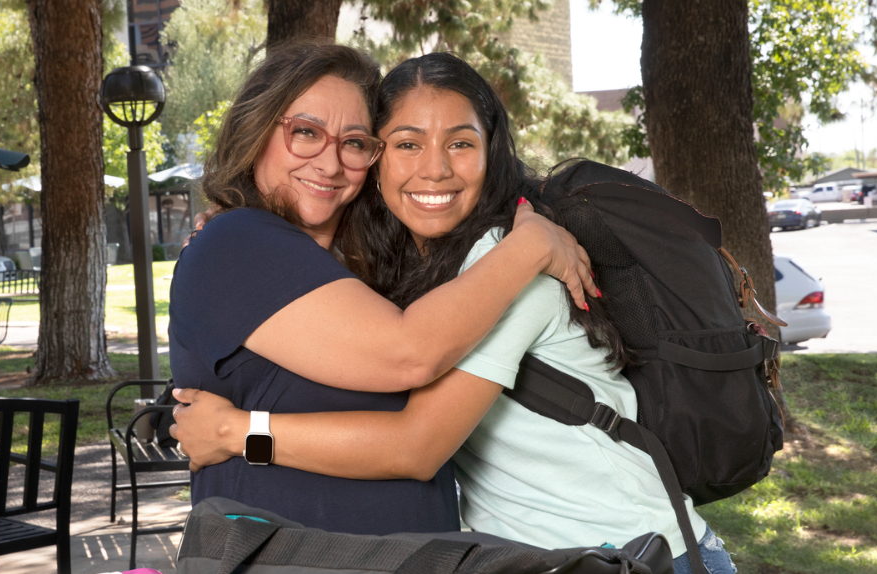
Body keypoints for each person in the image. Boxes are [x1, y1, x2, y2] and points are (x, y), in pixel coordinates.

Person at [172, 52, 737, 574]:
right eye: (407, 143)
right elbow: (405, 359)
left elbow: (415, 443)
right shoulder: (480, 266)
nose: (435, 170)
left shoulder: (498, 269)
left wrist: (236, 432)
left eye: (461, 144)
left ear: (492, 155)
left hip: (629, 554)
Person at [168, 42, 595, 538]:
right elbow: (409, 355)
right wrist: (531, 246)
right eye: (305, 132)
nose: (329, 164)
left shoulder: (366, 268)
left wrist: (236, 432)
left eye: (353, 142)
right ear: (257, 130)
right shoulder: (238, 241)